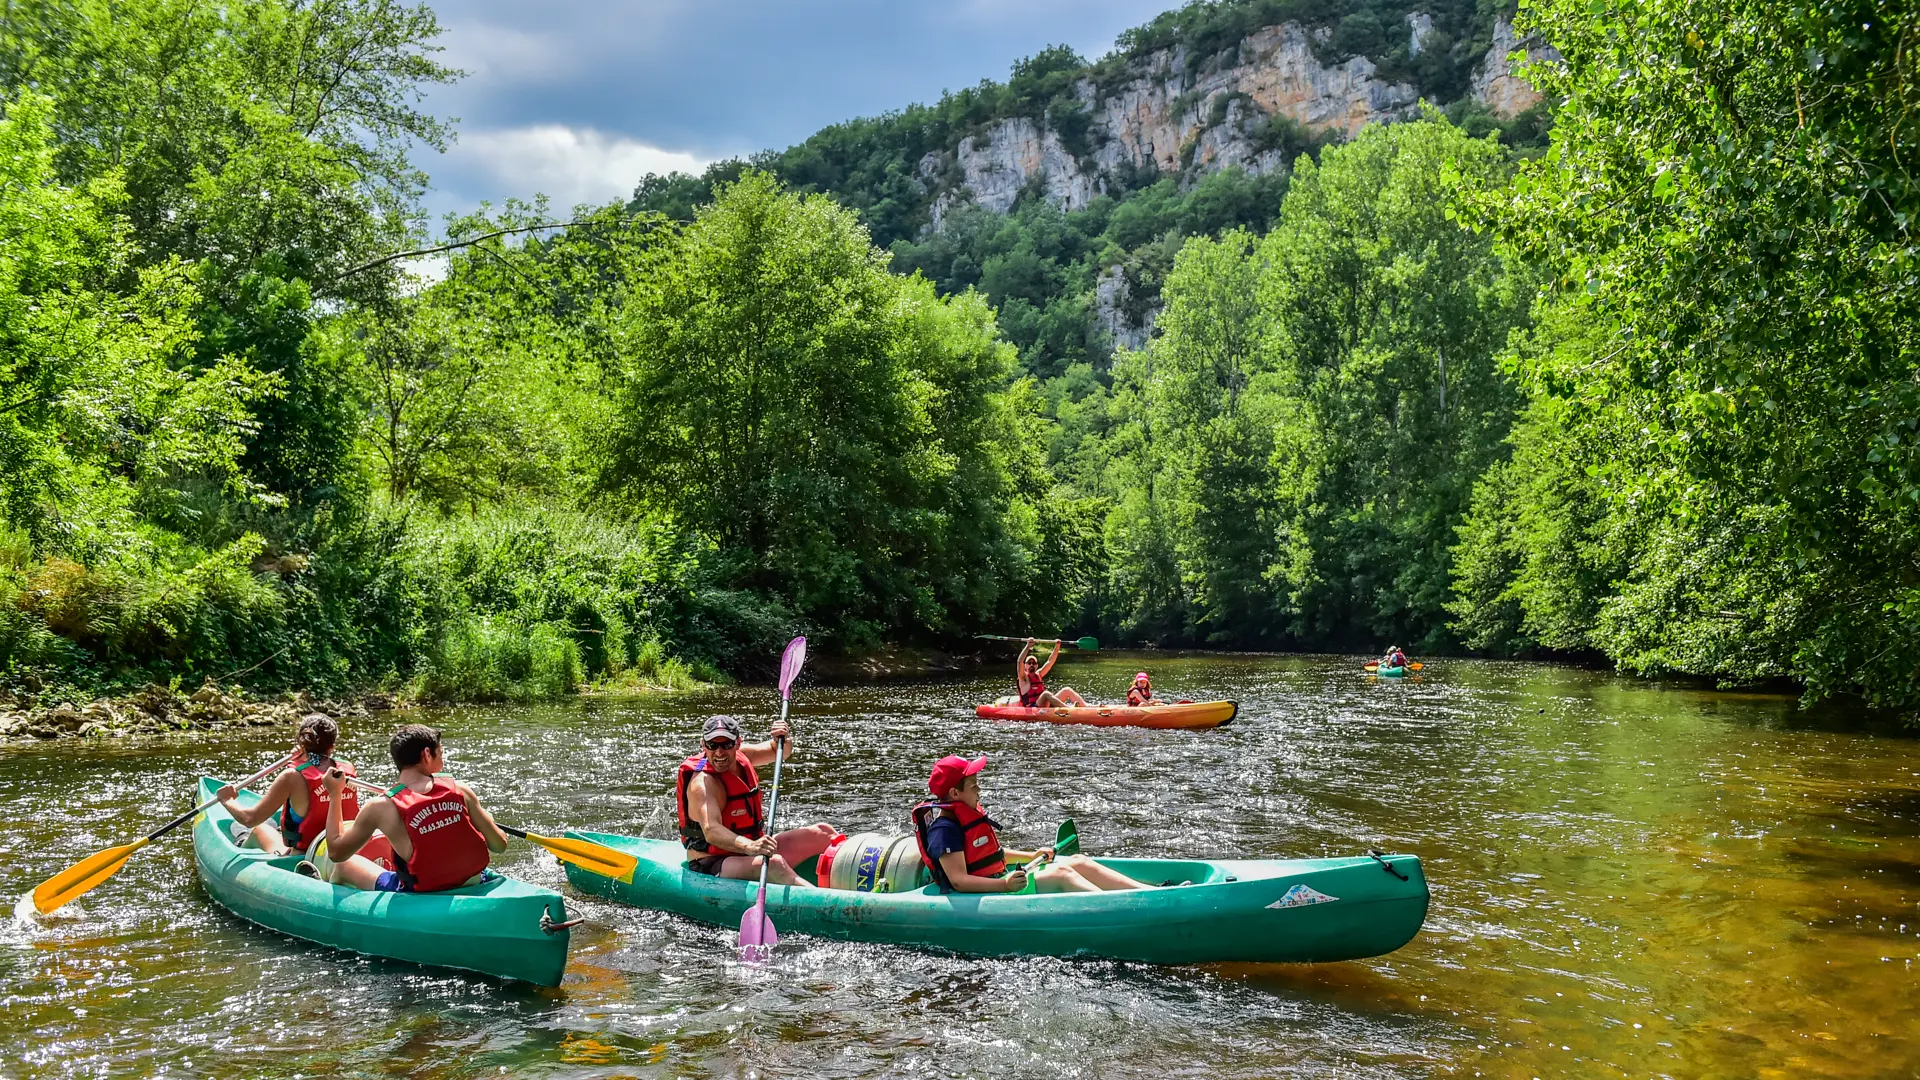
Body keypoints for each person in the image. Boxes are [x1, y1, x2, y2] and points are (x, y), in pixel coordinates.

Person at [911, 755, 1151, 894]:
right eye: (973, 785)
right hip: (985, 893)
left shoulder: (964, 813)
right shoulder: (944, 828)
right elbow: (958, 881)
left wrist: (1032, 855)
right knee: (1061, 873)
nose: (979, 789)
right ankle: (1124, 908)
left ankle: (1148, 893)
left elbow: (993, 855)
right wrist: (1004, 885)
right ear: (954, 793)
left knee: (1079, 861)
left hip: (999, 877)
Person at [320, 723, 507, 892]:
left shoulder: (380, 806)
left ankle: (332, 889)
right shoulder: (461, 790)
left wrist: (335, 794)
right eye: (440, 753)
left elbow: (336, 853)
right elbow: (499, 845)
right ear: (427, 754)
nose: (442, 758)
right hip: (474, 882)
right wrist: (487, 820)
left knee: (345, 865)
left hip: (422, 893)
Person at [675, 715, 837, 886]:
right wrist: (749, 847)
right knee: (774, 864)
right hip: (712, 863)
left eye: (727, 744)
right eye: (712, 745)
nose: (719, 752)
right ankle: (829, 905)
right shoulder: (702, 783)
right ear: (703, 745)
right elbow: (712, 831)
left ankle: (857, 878)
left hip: (749, 850)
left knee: (823, 833)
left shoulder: (743, 756)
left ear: (738, 743)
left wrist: (782, 738)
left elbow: (779, 752)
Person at [217, 713, 361, 858]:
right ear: (333, 746)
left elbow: (249, 819)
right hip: (344, 853)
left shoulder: (292, 777)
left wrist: (227, 800)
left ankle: (241, 844)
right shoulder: (347, 769)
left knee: (259, 829)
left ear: (301, 743)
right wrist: (302, 756)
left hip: (304, 856)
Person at [1016, 638, 1088, 709]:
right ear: (1025, 665)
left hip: (1044, 705)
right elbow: (1019, 661)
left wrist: (1057, 647)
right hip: (1033, 708)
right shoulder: (1023, 678)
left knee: (1067, 690)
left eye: (1033, 663)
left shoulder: (1039, 674)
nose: (1031, 664)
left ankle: (1088, 707)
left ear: (1037, 665)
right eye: (1029, 663)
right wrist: (1028, 646)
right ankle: (1068, 709)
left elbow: (1050, 661)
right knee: (1046, 694)